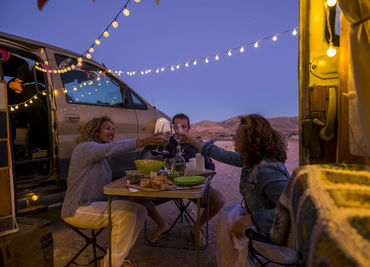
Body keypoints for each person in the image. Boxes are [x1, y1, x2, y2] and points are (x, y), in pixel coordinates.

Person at [180, 114, 290, 267]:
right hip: (263, 224)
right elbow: (222, 154)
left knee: (229, 219)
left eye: (238, 135)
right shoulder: (250, 159)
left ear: (250, 140)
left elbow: (292, 211)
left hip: (273, 234)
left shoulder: (267, 169)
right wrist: (193, 140)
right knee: (227, 216)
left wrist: (251, 219)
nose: (233, 138)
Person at [61, 116, 167, 267]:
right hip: (77, 209)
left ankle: (114, 258)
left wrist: (149, 146)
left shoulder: (102, 158)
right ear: (95, 131)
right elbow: (113, 148)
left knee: (141, 211)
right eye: (107, 128)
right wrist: (143, 141)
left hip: (94, 207)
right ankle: (112, 264)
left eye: (113, 129)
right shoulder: (85, 147)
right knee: (127, 214)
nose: (112, 132)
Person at [139, 113, 225, 247]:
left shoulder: (196, 143)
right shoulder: (166, 142)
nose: (180, 131)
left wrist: (202, 177)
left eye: (183, 127)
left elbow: (211, 166)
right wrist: (150, 145)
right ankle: (162, 224)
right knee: (136, 197)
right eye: (176, 127)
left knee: (219, 199)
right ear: (172, 128)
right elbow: (146, 158)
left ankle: (197, 227)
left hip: (193, 186)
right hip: (169, 187)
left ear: (188, 129)